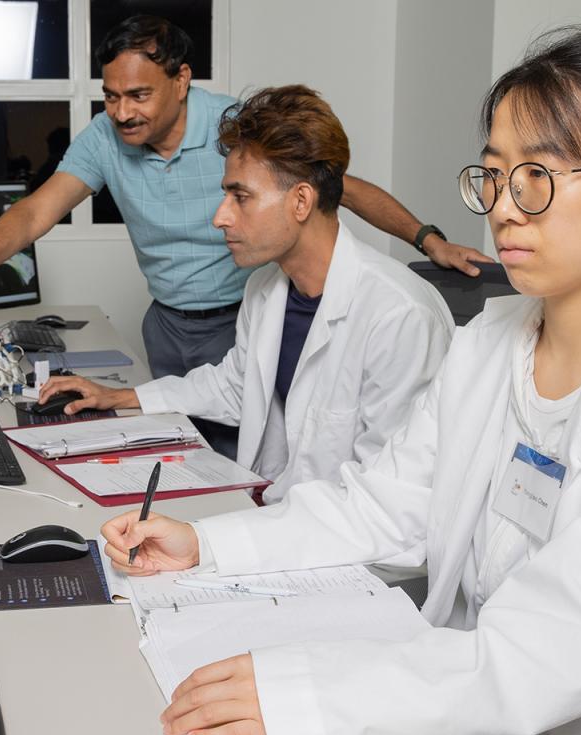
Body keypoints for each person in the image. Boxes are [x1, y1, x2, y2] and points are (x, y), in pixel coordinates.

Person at [99, 25, 581, 735]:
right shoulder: (489, 343)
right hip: (460, 733)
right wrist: (205, 547)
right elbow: (381, 507)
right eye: (496, 177)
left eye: (538, 176)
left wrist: (311, 693)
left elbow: (564, 647)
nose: (505, 210)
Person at [0, 15, 489, 456]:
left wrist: (427, 240)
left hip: (234, 313)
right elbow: (32, 214)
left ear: (181, 81)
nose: (122, 112)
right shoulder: (105, 139)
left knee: (247, 451)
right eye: (111, 96)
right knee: (191, 454)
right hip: (170, 324)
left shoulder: (238, 132)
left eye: (139, 95)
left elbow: (340, 186)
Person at [35, 85, 453, 504]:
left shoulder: (400, 314)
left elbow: (385, 497)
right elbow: (234, 386)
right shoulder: (265, 288)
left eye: (241, 197)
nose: (219, 217)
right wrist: (123, 397)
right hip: (280, 514)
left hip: (355, 549)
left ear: (301, 201)